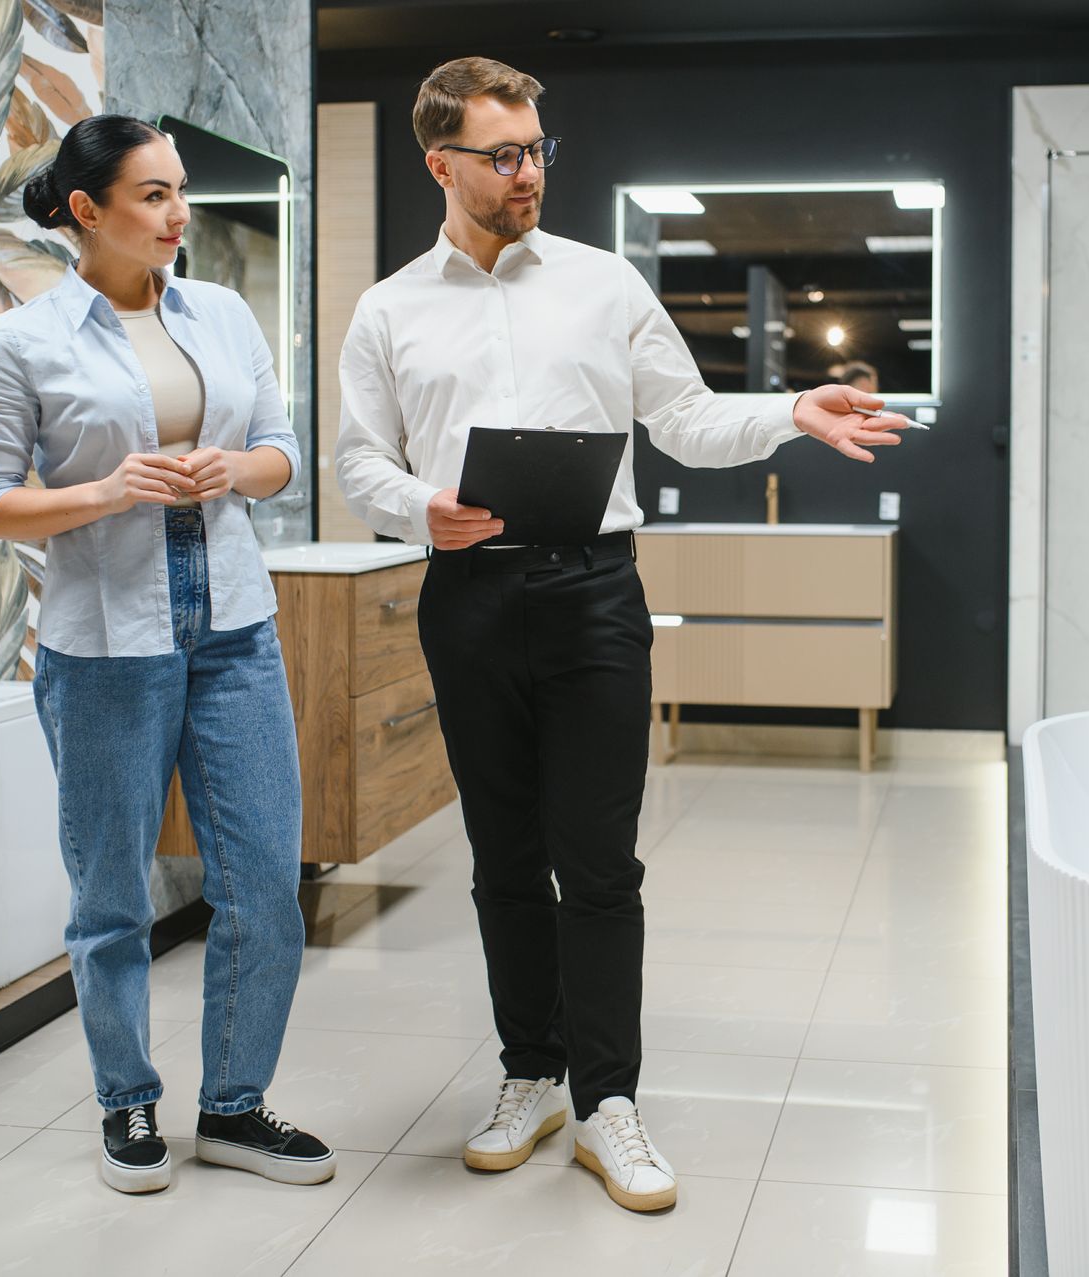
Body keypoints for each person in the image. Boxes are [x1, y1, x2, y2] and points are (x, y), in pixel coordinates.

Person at [334, 57, 911, 1212]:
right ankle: (529, 1075)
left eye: (539, 149)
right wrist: (419, 510)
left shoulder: (604, 286)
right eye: (502, 155)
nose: (528, 173)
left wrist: (791, 410)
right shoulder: (389, 308)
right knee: (502, 858)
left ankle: (608, 1101)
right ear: (439, 163)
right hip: (470, 596)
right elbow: (359, 461)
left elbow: (689, 424)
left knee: (598, 861)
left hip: (597, 593)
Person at [0, 114, 335, 1195]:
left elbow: (282, 456)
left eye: (182, 192)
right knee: (111, 893)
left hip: (232, 629)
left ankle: (234, 1105)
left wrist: (230, 470)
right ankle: (128, 1099)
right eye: (156, 195)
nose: (181, 214)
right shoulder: (24, 339)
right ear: (88, 210)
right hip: (103, 643)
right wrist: (104, 489)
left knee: (264, 881)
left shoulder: (220, 312)